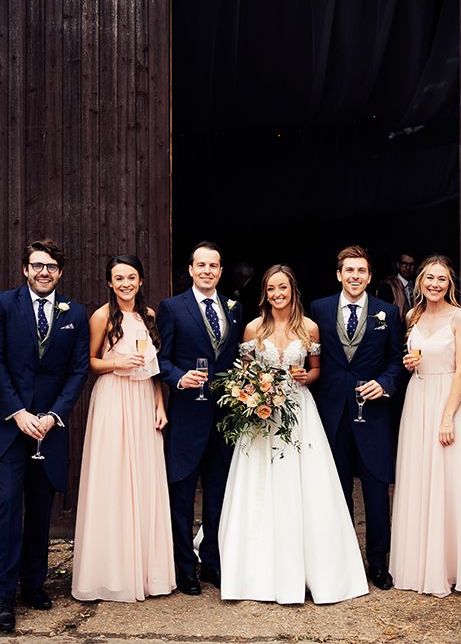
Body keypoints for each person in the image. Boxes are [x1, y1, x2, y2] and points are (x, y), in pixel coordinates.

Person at [218, 265, 368, 604]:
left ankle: (314, 568)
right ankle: (257, 572)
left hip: (299, 411)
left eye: (282, 288)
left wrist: (306, 379)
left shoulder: (310, 328)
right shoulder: (254, 328)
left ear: (292, 290)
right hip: (262, 415)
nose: (277, 294)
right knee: (259, 485)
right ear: (265, 293)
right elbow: (242, 374)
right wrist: (253, 393)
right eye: (271, 288)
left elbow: (316, 370)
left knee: (307, 484)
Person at [72, 255, 175, 601]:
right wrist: (116, 362)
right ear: (110, 283)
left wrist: (160, 405)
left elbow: (157, 368)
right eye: (119, 278)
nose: (125, 283)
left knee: (145, 478)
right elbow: (89, 361)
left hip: (144, 396)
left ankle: (147, 572)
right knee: (113, 478)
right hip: (114, 397)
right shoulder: (101, 316)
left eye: (131, 277)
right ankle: (112, 570)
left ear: (141, 281)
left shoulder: (149, 317)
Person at [389, 255, 461, 597]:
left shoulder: (460, 317)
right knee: (420, 479)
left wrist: (447, 416)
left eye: (442, 279)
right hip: (418, 400)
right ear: (420, 281)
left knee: (449, 480)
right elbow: (415, 361)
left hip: (448, 399)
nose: (435, 284)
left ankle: (451, 566)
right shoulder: (411, 316)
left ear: (450, 284)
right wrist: (408, 363)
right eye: (429, 278)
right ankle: (420, 564)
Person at [0, 239, 89, 633]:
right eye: (37, 265)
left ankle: (33, 585)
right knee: (6, 510)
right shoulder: (4, 306)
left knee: (41, 509)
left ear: (60, 272)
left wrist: (54, 415)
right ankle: (3, 596)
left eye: (51, 267)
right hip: (10, 426)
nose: (44, 272)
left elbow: (78, 370)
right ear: (25, 269)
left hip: (49, 430)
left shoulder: (76, 314)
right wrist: (17, 412)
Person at [310, 245, 405, 590]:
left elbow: (397, 362)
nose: (355, 276)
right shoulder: (318, 310)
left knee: (377, 491)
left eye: (361, 271)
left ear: (369, 276)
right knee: (337, 491)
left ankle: (378, 562)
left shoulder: (388, 313)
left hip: (374, 416)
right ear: (339, 274)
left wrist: (384, 383)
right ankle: (344, 560)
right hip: (332, 413)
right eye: (349, 270)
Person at [157, 241, 243, 595]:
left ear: (220, 271)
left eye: (214, 266)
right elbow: (160, 359)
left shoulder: (234, 308)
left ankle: (212, 562)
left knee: (219, 494)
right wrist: (179, 377)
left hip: (224, 417)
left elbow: (239, 356)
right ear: (191, 270)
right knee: (181, 494)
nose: (207, 271)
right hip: (187, 415)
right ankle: (184, 568)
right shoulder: (172, 307)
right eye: (201, 265)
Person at [377, 251, 416, 322]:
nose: (408, 267)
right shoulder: (388, 285)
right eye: (404, 264)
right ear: (398, 264)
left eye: (411, 264)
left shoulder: (417, 285)